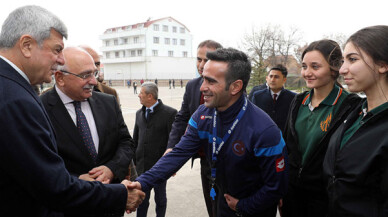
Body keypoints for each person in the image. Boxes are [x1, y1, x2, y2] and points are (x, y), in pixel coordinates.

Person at [0, 5, 144, 216]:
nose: (60, 60)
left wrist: (112, 169)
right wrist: (121, 194)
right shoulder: (15, 99)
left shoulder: (14, 89)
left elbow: (125, 142)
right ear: (27, 45)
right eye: (57, 50)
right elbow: (53, 186)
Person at [130, 48, 289, 217]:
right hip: (222, 203)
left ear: (235, 86)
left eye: (211, 81)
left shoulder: (264, 131)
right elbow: (178, 153)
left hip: (253, 209)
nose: (202, 87)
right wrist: (140, 183)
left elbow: (277, 187)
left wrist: (243, 206)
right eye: (203, 79)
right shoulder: (202, 114)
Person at [281, 39, 361, 217]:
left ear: (334, 68)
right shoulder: (298, 101)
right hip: (292, 195)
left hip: (325, 200)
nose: (307, 73)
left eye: (315, 66)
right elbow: (287, 147)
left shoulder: (350, 105)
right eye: (304, 66)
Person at [41, 47, 134, 188]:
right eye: (85, 75)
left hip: (109, 198)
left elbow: (126, 142)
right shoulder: (40, 108)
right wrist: (76, 179)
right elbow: (40, 163)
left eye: (94, 74)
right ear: (60, 78)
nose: (94, 82)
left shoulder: (108, 102)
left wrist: (111, 169)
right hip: (68, 204)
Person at [323, 25, 388, 217]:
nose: (342, 69)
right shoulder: (355, 113)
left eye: (353, 59)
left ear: (383, 64)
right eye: (343, 61)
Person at [165, 40, 223, 217]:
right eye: (198, 59)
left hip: (226, 160)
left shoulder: (229, 86)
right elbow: (182, 118)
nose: (201, 64)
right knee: (211, 207)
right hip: (205, 160)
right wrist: (171, 148)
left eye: (207, 59)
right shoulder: (192, 86)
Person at [133, 82, 177, 217]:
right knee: (141, 199)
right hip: (141, 165)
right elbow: (135, 139)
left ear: (150, 96)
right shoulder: (139, 113)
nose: (138, 95)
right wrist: (133, 163)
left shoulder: (169, 113)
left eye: (141, 93)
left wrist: (172, 165)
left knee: (160, 198)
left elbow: (173, 141)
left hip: (159, 166)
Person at [251, 64, 296, 133]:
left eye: (276, 77)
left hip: (284, 139)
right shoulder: (258, 96)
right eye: (271, 76)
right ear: (266, 78)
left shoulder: (293, 97)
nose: (272, 80)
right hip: (262, 137)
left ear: (284, 80)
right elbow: (253, 119)